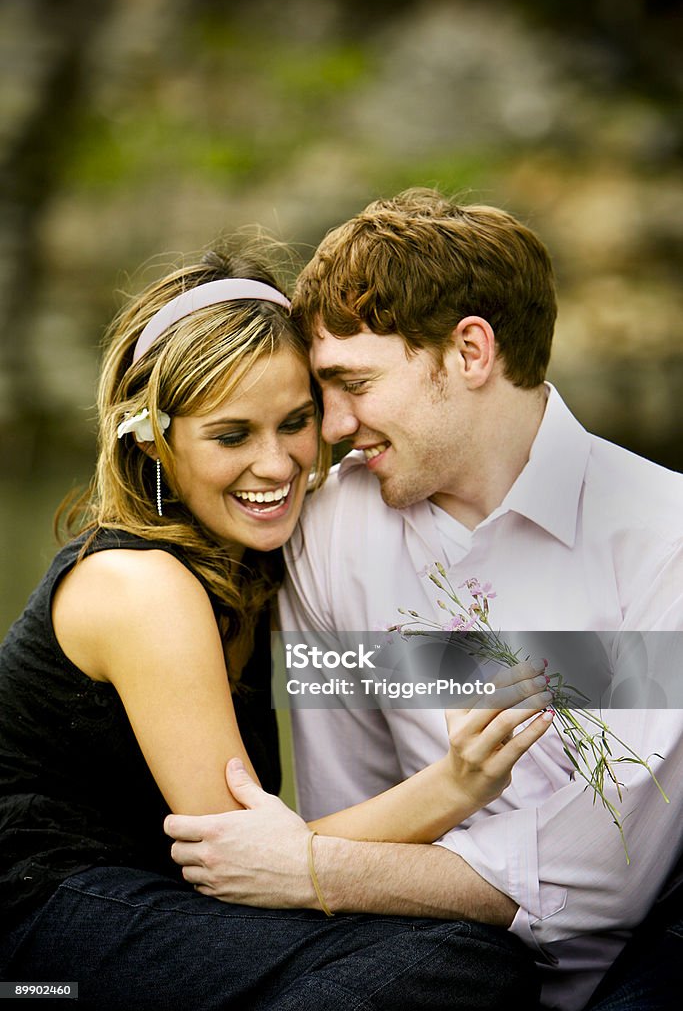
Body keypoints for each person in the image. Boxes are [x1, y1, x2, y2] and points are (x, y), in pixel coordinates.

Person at [165, 190, 683, 1011]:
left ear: (469, 352)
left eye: (353, 383)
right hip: (433, 956)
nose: (329, 428)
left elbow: (605, 876)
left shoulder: (663, 538)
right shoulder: (331, 529)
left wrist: (309, 865)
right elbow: (353, 800)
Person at [0, 243, 554, 1010]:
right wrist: (455, 785)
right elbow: (243, 860)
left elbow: (372, 666)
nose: (276, 464)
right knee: (456, 962)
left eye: (295, 422)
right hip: (40, 934)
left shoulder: (261, 563)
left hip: (153, 910)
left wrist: (597, 671)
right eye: (231, 436)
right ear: (151, 438)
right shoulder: (140, 586)